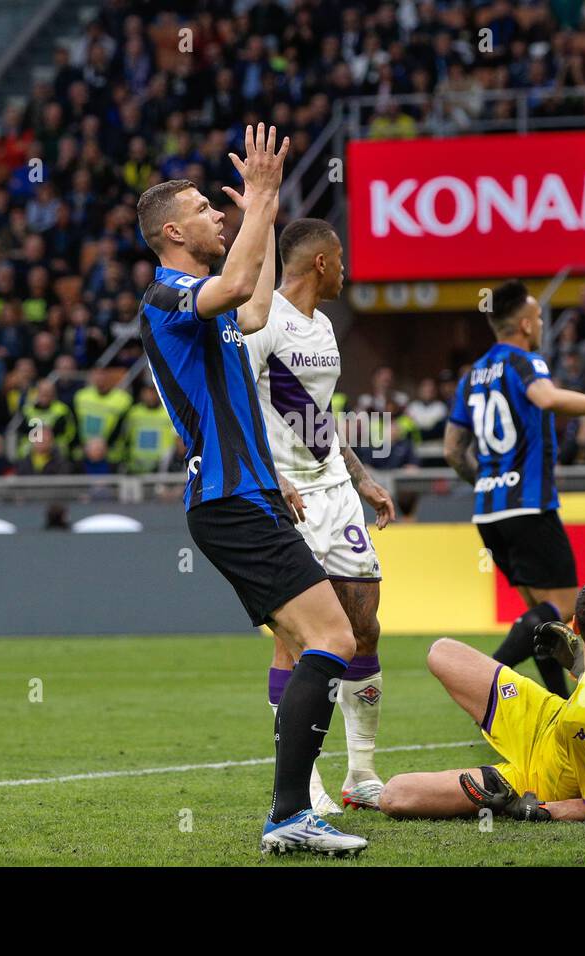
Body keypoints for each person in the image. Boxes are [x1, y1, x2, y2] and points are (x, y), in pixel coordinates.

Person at [136, 124, 365, 856]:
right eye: (205, 208)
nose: (217, 214)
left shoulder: (216, 310)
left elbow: (257, 307)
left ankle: (293, 812)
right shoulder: (166, 293)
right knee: (335, 636)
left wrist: (262, 216)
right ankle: (291, 812)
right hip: (230, 502)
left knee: (311, 646)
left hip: (251, 496)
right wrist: (263, 196)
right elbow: (236, 285)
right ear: (172, 231)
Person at [245, 217, 396, 814]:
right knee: (298, 640)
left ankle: (360, 773)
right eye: (342, 259)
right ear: (322, 264)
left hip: (335, 493)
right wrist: (270, 477)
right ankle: (302, 781)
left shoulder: (325, 326)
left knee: (365, 630)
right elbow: (235, 409)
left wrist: (362, 477)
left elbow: (317, 417)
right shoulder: (262, 320)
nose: (347, 269)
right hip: (289, 502)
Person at [443, 280, 585, 696]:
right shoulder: (525, 362)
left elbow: (452, 449)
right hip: (529, 506)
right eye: (537, 317)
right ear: (523, 324)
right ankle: (488, 677)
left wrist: (485, 481)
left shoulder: (472, 377)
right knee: (567, 605)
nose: (540, 323)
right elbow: (547, 398)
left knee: (542, 618)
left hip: (490, 512)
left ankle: (560, 700)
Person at [378, 577, 585, 823]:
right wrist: (580, 665)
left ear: (576, 626)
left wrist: (530, 809)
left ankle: (505, 793)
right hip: (550, 718)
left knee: (394, 795)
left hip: (539, 781)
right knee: (441, 652)